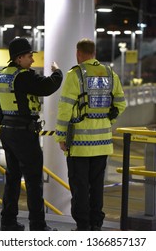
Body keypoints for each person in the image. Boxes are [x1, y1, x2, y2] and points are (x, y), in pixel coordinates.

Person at [55, 38, 126, 231]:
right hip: (102, 143)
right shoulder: (110, 73)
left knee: (79, 188)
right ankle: (96, 224)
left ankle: (83, 227)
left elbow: (65, 109)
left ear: (78, 53)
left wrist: (61, 137)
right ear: (94, 53)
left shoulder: (75, 74)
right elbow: (121, 103)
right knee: (96, 188)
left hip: (79, 145)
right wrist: (107, 120)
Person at [0, 37, 63, 231]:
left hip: (7, 131)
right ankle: (38, 225)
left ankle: (8, 222)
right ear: (19, 58)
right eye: (30, 56)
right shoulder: (23, 76)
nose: (32, 60)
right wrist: (57, 72)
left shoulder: (0, 76)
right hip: (24, 133)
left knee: (12, 178)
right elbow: (48, 86)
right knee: (33, 181)